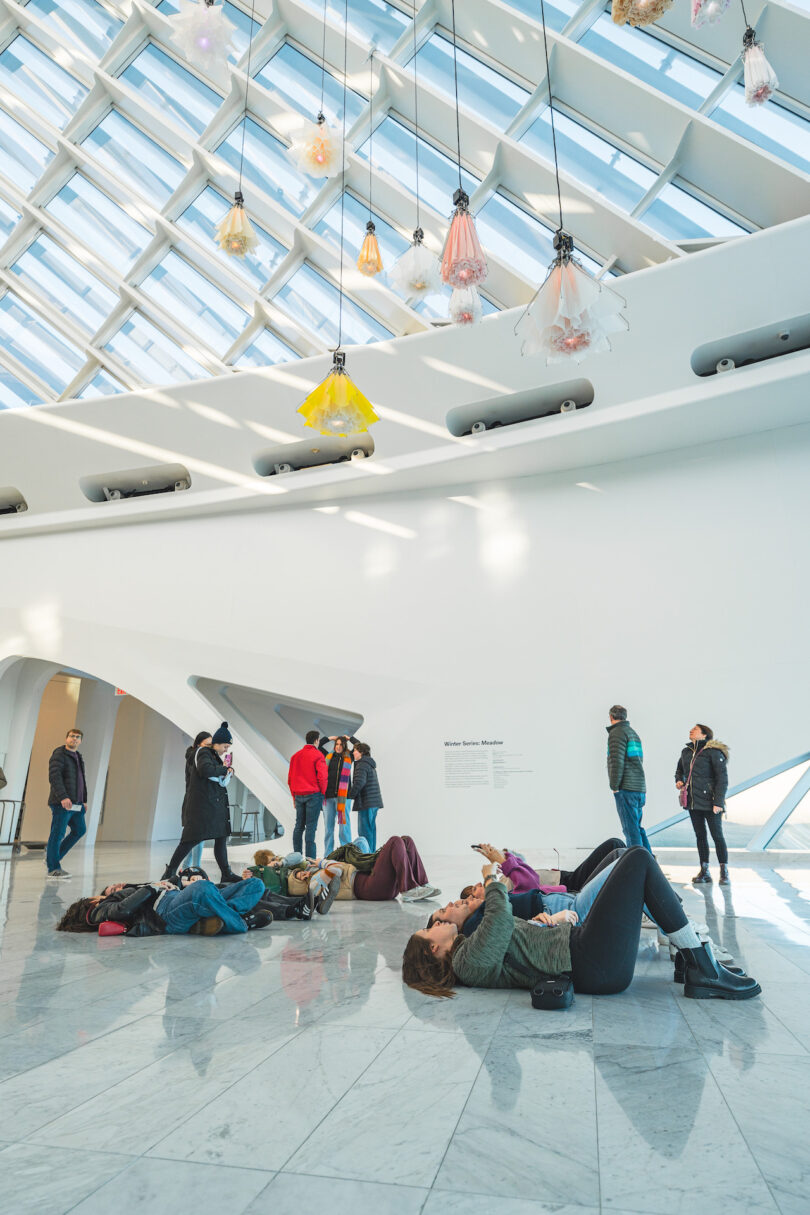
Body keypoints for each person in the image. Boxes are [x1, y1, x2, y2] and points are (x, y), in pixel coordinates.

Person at [402, 847, 761, 1001]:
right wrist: (493, 882)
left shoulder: (468, 952)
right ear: (433, 948)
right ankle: (701, 964)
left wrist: (549, 920)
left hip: (586, 951)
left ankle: (692, 957)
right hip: (592, 963)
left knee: (630, 858)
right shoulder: (465, 963)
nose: (434, 922)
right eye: (429, 927)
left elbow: (509, 934)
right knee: (635, 859)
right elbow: (499, 922)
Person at [56, 874, 271, 936]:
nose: (116, 888)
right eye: (111, 889)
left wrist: (167, 884)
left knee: (255, 884)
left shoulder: (120, 894)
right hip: (166, 912)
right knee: (203, 888)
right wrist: (152, 888)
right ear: (92, 900)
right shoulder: (97, 911)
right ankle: (242, 923)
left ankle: (218, 917)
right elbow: (123, 910)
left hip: (175, 897)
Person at [162, 722, 242, 883]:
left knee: (220, 838)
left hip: (213, 805)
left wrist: (227, 770)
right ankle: (169, 873)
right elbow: (205, 770)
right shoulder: (203, 752)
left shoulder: (213, 757)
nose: (226, 750)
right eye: (225, 746)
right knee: (189, 841)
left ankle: (226, 873)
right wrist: (225, 769)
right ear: (217, 743)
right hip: (202, 807)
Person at [289, 835, 440, 903]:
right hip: (368, 888)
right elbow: (338, 868)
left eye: (302, 871)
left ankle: (421, 883)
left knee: (406, 840)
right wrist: (322, 862)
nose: (304, 874)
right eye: (301, 875)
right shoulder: (314, 881)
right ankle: (408, 890)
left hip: (372, 879)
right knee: (395, 841)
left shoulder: (316, 871)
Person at [468, 839, 626, 896]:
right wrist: (503, 861)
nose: (477, 884)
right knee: (615, 847)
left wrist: (502, 856)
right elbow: (531, 882)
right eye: (474, 890)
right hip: (570, 886)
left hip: (564, 879)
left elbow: (523, 865)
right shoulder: (500, 892)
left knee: (616, 849)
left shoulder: (499, 883)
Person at [676, 723, 731, 886]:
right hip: (693, 802)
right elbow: (679, 770)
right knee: (700, 836)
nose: (691, 730)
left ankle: (724, 871)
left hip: (711, 803)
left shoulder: (713, 752)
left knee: (717, 836)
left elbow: (722, 779)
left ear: (704, 735)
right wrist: (679, 780)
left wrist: (718, 802)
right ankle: (704, 870)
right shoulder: (686, 752)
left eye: (695, 730)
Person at [606, 705, 651, 853]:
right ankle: (649, 861)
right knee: (637, 828)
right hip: (639, 788)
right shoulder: (632, 733)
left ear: (611, 717)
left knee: (630, 831)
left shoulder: (617, 733)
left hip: (626, 788)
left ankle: (638, 867)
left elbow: (616, 761)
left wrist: (614, 785)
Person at [45, 728, 89, 878]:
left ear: (81, 741)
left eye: (77, 737)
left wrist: (84, 800)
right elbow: (54, 777)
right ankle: (54, 868)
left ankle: (53, 859)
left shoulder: (78, 756)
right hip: (62, 802)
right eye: (72, 736)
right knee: (57, 834)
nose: (74, 739)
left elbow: (81, 780)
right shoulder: (59, 754)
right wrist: (63, 797)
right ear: (66, 738)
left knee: (80, 830)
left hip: (77, 804)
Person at [288, 730, 328, 860]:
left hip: (299, 795)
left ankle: (296, 858)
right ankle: (310, 860)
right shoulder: (318, 755)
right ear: (316, 740)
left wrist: (294, 797)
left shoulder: (295, 756)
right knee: (311, 827)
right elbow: (322, 777)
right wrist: (322, 793)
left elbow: (290, 779)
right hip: (314, 795)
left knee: (299, 826)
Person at [320, 735, 356, 854]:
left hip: (344, 798)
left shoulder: (350, 756)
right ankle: (328, 854)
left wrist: (350, 738)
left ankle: (346, 853)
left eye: (341, 744)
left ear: (344, 745)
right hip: (328, 797)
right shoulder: (328, 756)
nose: (338, 747)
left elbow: (359, 747)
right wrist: (329, 738)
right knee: (328, 828)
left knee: (344, 828)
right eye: (337, 744)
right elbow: (318, 746)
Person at [182, 731, 212, 870]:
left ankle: (186, 867)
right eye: (207, 744)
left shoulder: (198, 757)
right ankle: (196, 868)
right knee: (197, 837)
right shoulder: (196, 758)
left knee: (194, 838)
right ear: (198, 744)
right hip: (194, 802)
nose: (209, 747)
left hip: (197, 800)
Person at [350, 741, 383, 851]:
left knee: (364, 832)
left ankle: (367, 857)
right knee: (371, 830)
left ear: (362, 752)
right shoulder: (369, 763)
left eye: (355, 750)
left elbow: (359, 783)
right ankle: (371, 856)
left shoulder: (362, 765)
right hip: (373, 802)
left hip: (367, 802)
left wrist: (349, 796)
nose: (353, 752)